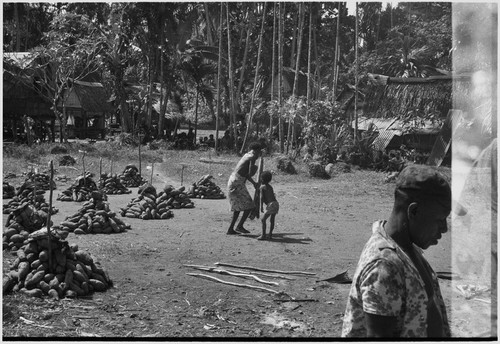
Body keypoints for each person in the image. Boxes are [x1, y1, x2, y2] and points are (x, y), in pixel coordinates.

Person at [342, 164, 452, 338]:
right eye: (439, 219)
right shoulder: (384, 267)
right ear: (413, 211)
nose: (445, 228)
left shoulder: (407, 249)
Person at [226, 142, 262, 235]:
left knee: (238, 208)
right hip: (237, 182)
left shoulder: (247, 155)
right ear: (256, 150)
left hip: (234, 180)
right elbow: (250, 173)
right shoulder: (252, 157)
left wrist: (254, 183)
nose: (259, 154)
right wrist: (256, 168)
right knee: (249, 205)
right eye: (259, 152)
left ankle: (231, 229)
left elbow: (246, 174)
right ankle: (239, 226)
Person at [257, 171, 279, 241]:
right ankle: (270, 234)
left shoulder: (262, 187)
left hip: (271, 204)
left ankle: (263, 235)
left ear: (262, 179)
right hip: (276, 203)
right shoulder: (270, 186)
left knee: (263, 219)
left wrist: (261, 207)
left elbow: (261, 197)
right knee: (272, 220)